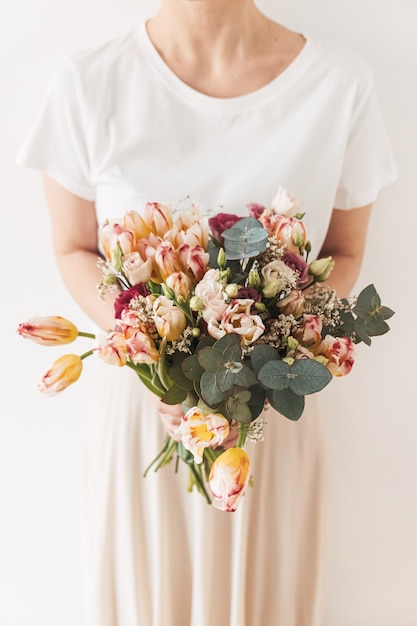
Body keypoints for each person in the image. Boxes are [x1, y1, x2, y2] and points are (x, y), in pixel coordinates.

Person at [17, 1, 397, 624]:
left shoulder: (339, 84)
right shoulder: (90, 81)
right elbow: (74, 245)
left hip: (271, 421)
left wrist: (260, 357)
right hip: (146, 411)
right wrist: (158, 348)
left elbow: (344, 253)